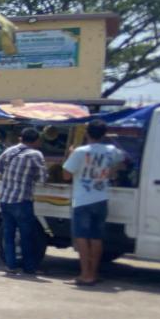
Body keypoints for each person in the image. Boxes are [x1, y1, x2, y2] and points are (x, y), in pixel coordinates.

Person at [62, 119, 126, 286]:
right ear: (104, 134)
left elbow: (66, 175)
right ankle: (93, 273)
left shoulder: (80, 152)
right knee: (97, 238)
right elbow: (124, 161)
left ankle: (85, 275)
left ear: (87, 133)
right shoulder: (111, 150)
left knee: (82, 237)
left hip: (82, 200)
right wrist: (111, 171)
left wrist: (70, 155)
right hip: (101, 198)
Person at [0, 127, 46, 275]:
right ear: (36, 140)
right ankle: (29, 267)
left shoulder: (9, 151)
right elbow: (43, 178)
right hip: (22, 201)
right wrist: (32, 177)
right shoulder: (36, 155)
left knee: (9, 234)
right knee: (26, 236)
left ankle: (11, 266)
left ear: (20, 138)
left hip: (5, 199)